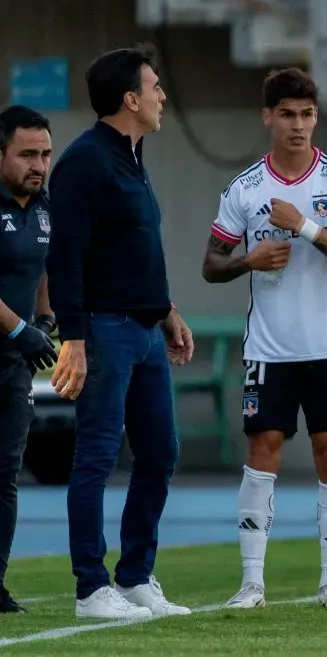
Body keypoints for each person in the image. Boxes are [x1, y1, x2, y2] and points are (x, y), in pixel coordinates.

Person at [202, 67, 327, 610]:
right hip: (269, 348)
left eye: (306, 114)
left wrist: (303, 227)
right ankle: (252, 581)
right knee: (262, 451)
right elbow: (210, 263)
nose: (297, 126)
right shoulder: (245, 188)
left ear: (315, 118)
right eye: (287, 115)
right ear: (268, 117)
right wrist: (247, 260)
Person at [46, 44, 194, 620]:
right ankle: (90, 588)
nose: (162, 96)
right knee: (96, 458)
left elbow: (134, 249)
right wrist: (75, 340)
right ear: (130, 98)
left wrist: (167, 309)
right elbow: (67, 258)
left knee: (160, 453)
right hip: (104, 332)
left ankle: (135, 577)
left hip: (146, 330)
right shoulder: (85, 162)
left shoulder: (133, 157)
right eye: (154, 87)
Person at [0, 105, 59, 614]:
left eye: (44, 153)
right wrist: (20, 330)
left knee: (4, 475)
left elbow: (43, 271)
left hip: (11, 364)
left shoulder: (44, 206)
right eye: (26, 154)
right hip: (11, 344)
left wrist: (43, 321)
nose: (38, 164)